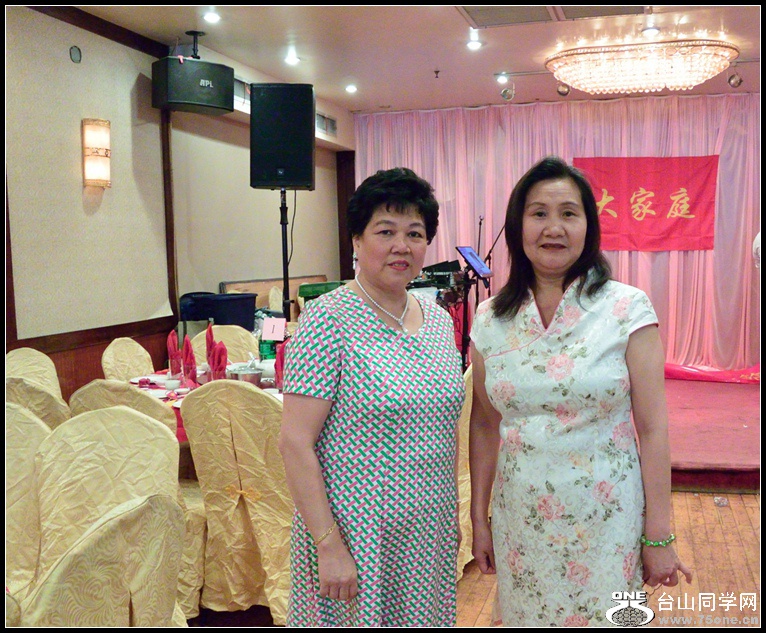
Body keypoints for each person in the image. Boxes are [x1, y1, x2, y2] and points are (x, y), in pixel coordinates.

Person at [469, 156, 692, 626]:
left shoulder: (626, 308)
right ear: (518, 225)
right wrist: (478, 519)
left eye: (569, 213)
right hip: (521, 522)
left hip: (608, 520)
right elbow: (485, 423)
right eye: (539, 213)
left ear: (588, 226)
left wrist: (658, 534)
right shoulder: (490, 319)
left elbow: (653, 428)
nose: (554, 227)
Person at [279, 167, 465, 626]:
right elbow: (295, 442)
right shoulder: (328, 319)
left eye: (414, 233)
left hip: (428, 530)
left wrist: (452, 520)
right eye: (386, 231)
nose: (402, 245)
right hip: (354, 533)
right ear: (357, 241)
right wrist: (328, 543)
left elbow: (446, 427)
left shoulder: (438, 321)